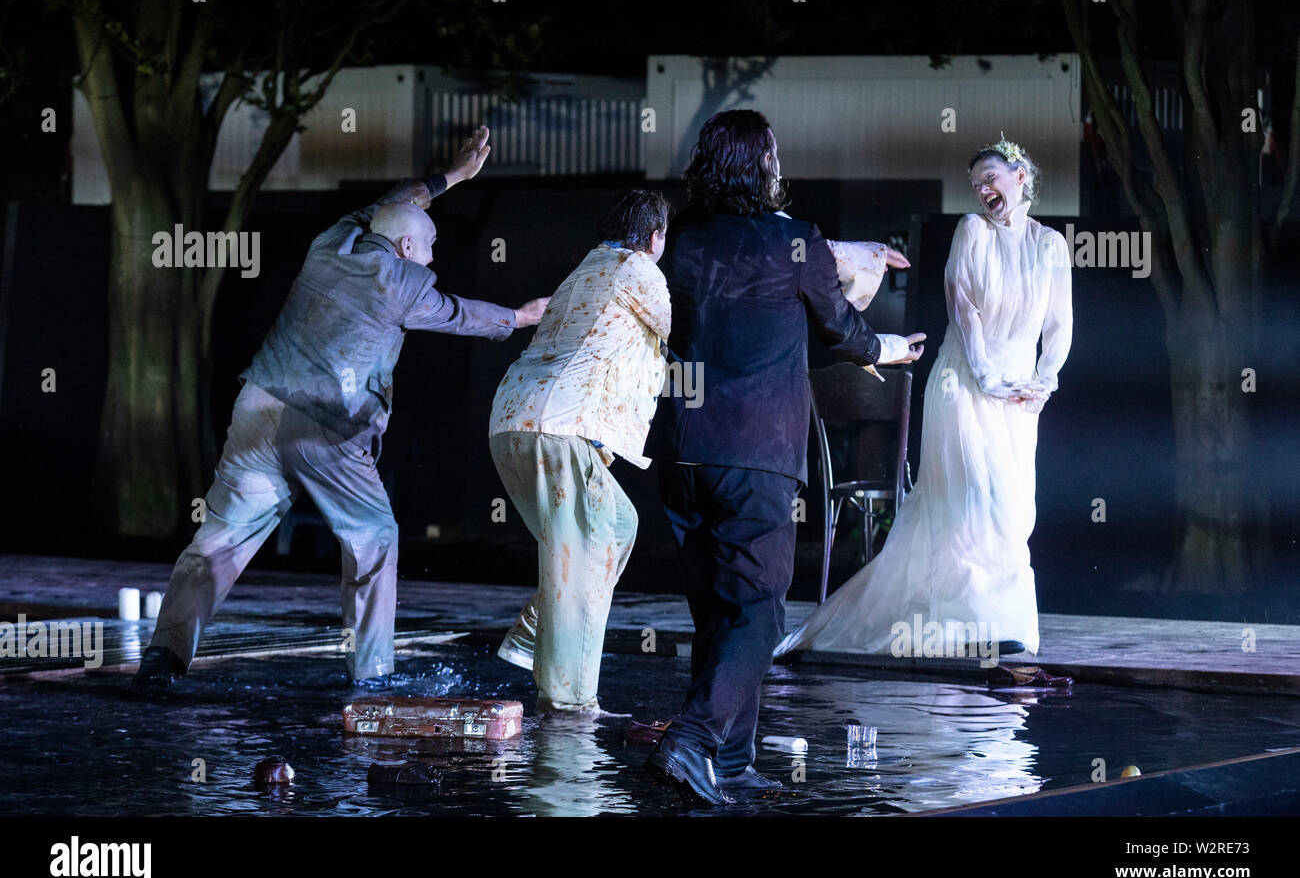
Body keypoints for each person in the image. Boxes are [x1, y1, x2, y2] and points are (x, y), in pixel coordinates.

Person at [131, 126, 550, 695]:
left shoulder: (333, 240)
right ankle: (371, 677)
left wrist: (451, 176)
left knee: (220, 540)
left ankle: (164, 657)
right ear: (407, 250)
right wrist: (521, 318)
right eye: (429, 248)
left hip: (258, 407)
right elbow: (457, 314)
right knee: (374, 537)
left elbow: (396, 202)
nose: (433, 257)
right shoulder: (401, 280)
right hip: (324, 426)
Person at [643, 110, 924, 805]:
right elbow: (839, 323)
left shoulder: (679, 240)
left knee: (719, 612)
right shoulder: (792, 241)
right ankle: (692, 741)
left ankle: (730, 762)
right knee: (761, 612)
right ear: (763, 163)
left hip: (681, 449)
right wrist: (887, 348)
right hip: (756, 450)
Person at [776, 134, 1073, 662]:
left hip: (1019, 395)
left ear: (1019, 176)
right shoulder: (972, 231)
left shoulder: (1050, 245)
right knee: (969, 499)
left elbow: (1060, 324)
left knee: (1011, 509)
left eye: (991, 178)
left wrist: (1044, 381)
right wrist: (985, 378)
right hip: (965, 382)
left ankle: (1000, 621)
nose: (983, 189)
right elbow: (964, 310)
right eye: (976, 183)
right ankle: (964, 622)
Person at [488, 189, 671, 714]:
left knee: (616, 526)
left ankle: (531, 637)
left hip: (512, 423)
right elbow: (684, 328)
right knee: (581, 558)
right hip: (557, 430)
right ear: (655, 238)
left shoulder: (582, 272)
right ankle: (569, 704)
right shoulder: (638, 269)